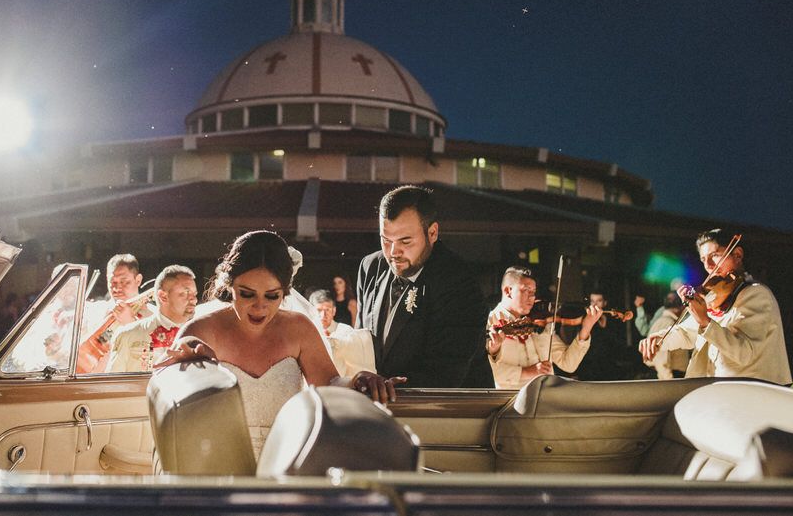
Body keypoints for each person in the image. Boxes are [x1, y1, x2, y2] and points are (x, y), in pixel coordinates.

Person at [156, 230, 399, 458]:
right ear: (230, 286)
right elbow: (172, 393)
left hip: (287, 455)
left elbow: (329, 383)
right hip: (217, 459)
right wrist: (187, 366)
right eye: (247, 294)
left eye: (272, 296)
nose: (260, 307)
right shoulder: (201, 329)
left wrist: (357, 381)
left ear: (285, 291)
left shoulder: (299, 328)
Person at [355, 185, 488, 387]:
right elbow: (360, 342)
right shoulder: (370, 267)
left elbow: (446, 372)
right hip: (376, 408)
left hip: (448, 410)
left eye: (405, 241)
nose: (393, 252)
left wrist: (387, 387)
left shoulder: (459, 281)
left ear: (432, 232)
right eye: (386, 240)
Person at [639, 229, 792, 384]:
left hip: (745, 395)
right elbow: (687, 333)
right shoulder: (713, 296)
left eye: (714, 256)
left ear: (737, 254)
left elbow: (745, 353)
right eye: (703, 260)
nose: (709, 266)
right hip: (712, 393)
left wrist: (706, 322)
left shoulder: (757, 295)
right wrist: (660, 339)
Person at [486, 267, 602, 389]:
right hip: (511, 400)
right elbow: (487, 372)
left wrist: (586, 328)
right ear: (508, 291)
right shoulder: (490, 322)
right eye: (526, 290)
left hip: (546, 396)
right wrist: (527, 371)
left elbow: (568, 363)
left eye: (534, 291)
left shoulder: (539, 320)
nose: (532, 297)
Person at [105, 265, 198, 372]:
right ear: (163, 296)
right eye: (186, 292)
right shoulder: (126, 335)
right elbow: (113, 385)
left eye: (194, 294)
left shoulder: (202, 337)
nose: (194, 299)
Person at [644, 294, 690, 379]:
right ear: (682, 307)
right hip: (669, 376)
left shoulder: (666, 321)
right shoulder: (667, 323)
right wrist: (669, 382)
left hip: (670, 375)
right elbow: (661, 359)